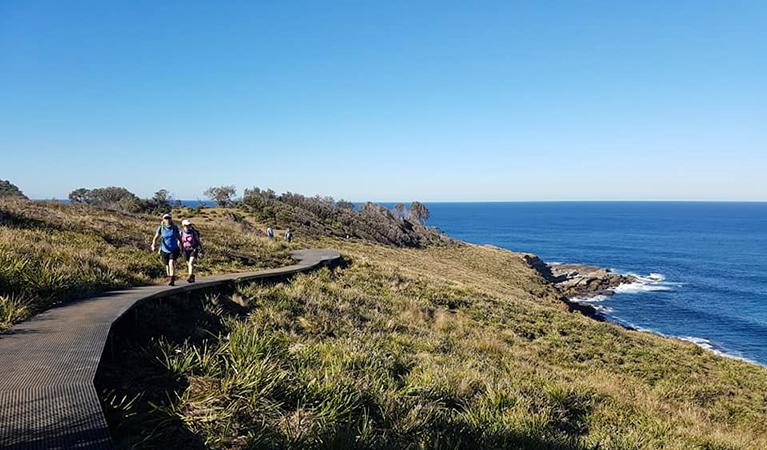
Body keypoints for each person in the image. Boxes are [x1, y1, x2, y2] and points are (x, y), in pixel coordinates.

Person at [151, 213, 182, 286]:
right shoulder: (161, 228)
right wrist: (153, 245)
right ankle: (169, 277)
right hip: (164, 249)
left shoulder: (175, 227)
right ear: (163, 220)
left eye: (169, 218)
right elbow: (156, 238)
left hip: (174, 248)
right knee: (167, 265)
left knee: (171, 263)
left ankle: (172, 279)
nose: (167, 220)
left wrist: (181, 245)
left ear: (171, 219)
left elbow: (179, 237)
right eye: (166, 218)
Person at [180, 219, 203, 283]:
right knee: (188, 264)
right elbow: (179, 242)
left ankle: (190, 277)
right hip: (185, 250)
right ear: (183, 226)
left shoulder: (193, 232)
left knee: (191, 263)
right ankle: (192, 276)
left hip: (193, 249)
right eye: (186, 225)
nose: (188, 226)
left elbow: (198, 240)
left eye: (189, 225)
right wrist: (178, 249)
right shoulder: (181, 233)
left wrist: (201, 248)